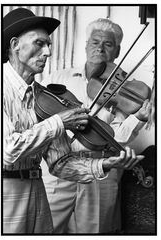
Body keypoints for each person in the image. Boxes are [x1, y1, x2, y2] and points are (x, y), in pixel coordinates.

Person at [3, 9, 143, 234]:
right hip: (6, 191)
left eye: (48, 44)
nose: (48, 52)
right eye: (40, 43)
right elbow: (7, 149)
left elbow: (59, 162)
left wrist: (105, 165)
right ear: (15, 44)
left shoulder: (42, 95)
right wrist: (59, 121)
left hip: (37, 189)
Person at [41, 18, 151, 233]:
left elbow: (116, 139)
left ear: (117, 51)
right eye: (95, 42)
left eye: (108, 44)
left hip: (99, 173)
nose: (99, 48)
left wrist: (138, 118)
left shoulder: (126, 92)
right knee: (45, 231)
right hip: (58, 169)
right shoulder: (57, 78)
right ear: (86, 46)